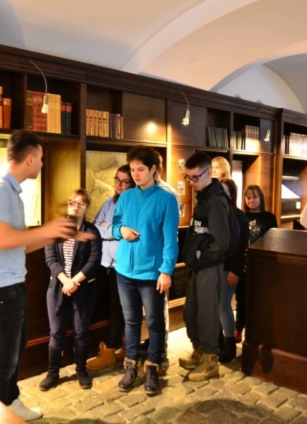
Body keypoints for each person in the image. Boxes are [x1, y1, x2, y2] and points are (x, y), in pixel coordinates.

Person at [0, 130, 92, 421]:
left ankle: (11, 403)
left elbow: (22, 244)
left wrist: (58, 234)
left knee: (14, 353)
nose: (42, 163)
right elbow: (2, 238)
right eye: (40, 158)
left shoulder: (11, 192)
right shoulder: (0, 189)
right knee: (3, 362)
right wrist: (50, 229)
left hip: (11, 286)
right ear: (29, 158)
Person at [111, 146, 179, 395]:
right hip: (124, 271)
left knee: (154, 321)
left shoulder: (166, 199)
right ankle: (131, 366)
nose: (136, 174)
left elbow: (170, 239)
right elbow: (114, 225)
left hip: (151, 273)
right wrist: (121, 231)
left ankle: (152, 367)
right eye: (133, 170)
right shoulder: (126, 196)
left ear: (153, 169)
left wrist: (166, 271)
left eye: (141, 169)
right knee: (130, 320)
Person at [40, 189, 101, 391]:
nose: (75, 206)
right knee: (56, 332)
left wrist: (74, 281)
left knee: (81, 332)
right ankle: (52, 373)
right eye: (72, 202)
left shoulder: (92, 231)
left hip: (83, 289)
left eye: (81, 203)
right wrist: (65, 281)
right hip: (58, 288)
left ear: (86, 208)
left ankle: (81, 371)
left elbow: (94, 260)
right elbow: (50, 258)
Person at [179, 151, 230, 381]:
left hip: (209, 265)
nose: (191, 183)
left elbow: (221, 242)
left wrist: (200, 256)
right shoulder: (203, 196)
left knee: (207, 313)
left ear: (209, 173)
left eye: (195, 177)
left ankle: (210, 362)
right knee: (192, 312)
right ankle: (199, 351)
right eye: (188, 178)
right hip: (198, 265)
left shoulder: (216, 200)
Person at [86, 165, 135, 371]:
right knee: (111, 306)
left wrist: (110, 229)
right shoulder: (109, 201)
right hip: (106, 264)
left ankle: (112, 349)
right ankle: (120, 346)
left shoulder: (132, 204)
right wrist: (112, 230)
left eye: (125, 181)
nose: (119, 185)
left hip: (123, 265)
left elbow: (126, 233)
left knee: (119, 307)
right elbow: (95, 228)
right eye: (117, 180)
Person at [234, 184, 277, 342]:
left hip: (261, 265)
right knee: (241, 300)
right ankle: (238, 328)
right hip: (242, 264)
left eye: (254, 197)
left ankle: (256, 331)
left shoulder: (269, 217)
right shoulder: (240, 216)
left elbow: (274, 240)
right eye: (248, 197)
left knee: (260, 300)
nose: (251, 200)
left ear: (261, 198)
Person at [218, 178, 249, 363]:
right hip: (215, 266)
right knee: (216, 305)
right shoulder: (216, 213)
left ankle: (230, 343)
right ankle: (219, 341)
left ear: (231, 195)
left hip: (229, 268)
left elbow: (242, 245)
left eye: (224, 191)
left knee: (223, 304)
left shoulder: (238, 215)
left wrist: (235, 270)